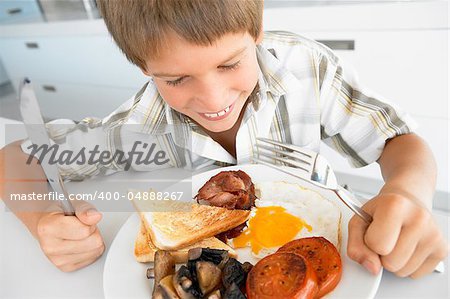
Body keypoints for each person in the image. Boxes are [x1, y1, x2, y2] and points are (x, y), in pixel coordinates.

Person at [0, 0, 447, 277]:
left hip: (347, 252)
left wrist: (408, 192)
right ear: (143, 68)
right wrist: (41, 221)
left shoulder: (305, 67)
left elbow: (399, 142)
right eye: (176, 79)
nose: (213, 99)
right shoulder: (141, 123)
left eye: (231, 64)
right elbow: (17, 155)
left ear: (255, 30)